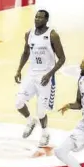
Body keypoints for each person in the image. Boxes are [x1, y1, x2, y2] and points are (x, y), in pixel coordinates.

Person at [14, 10, 66, 147]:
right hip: (31, 74)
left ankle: (45, 133)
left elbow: (62, 58)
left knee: (41, 111)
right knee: (18, 103)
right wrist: (19, 69)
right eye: (36, 17)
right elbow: (25, 52)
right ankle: (30, 121)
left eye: (40, 18)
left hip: (46, 76)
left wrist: (50, 74)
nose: (37, 19)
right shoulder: (29, 34)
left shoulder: (52, 35)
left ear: (46, 20)